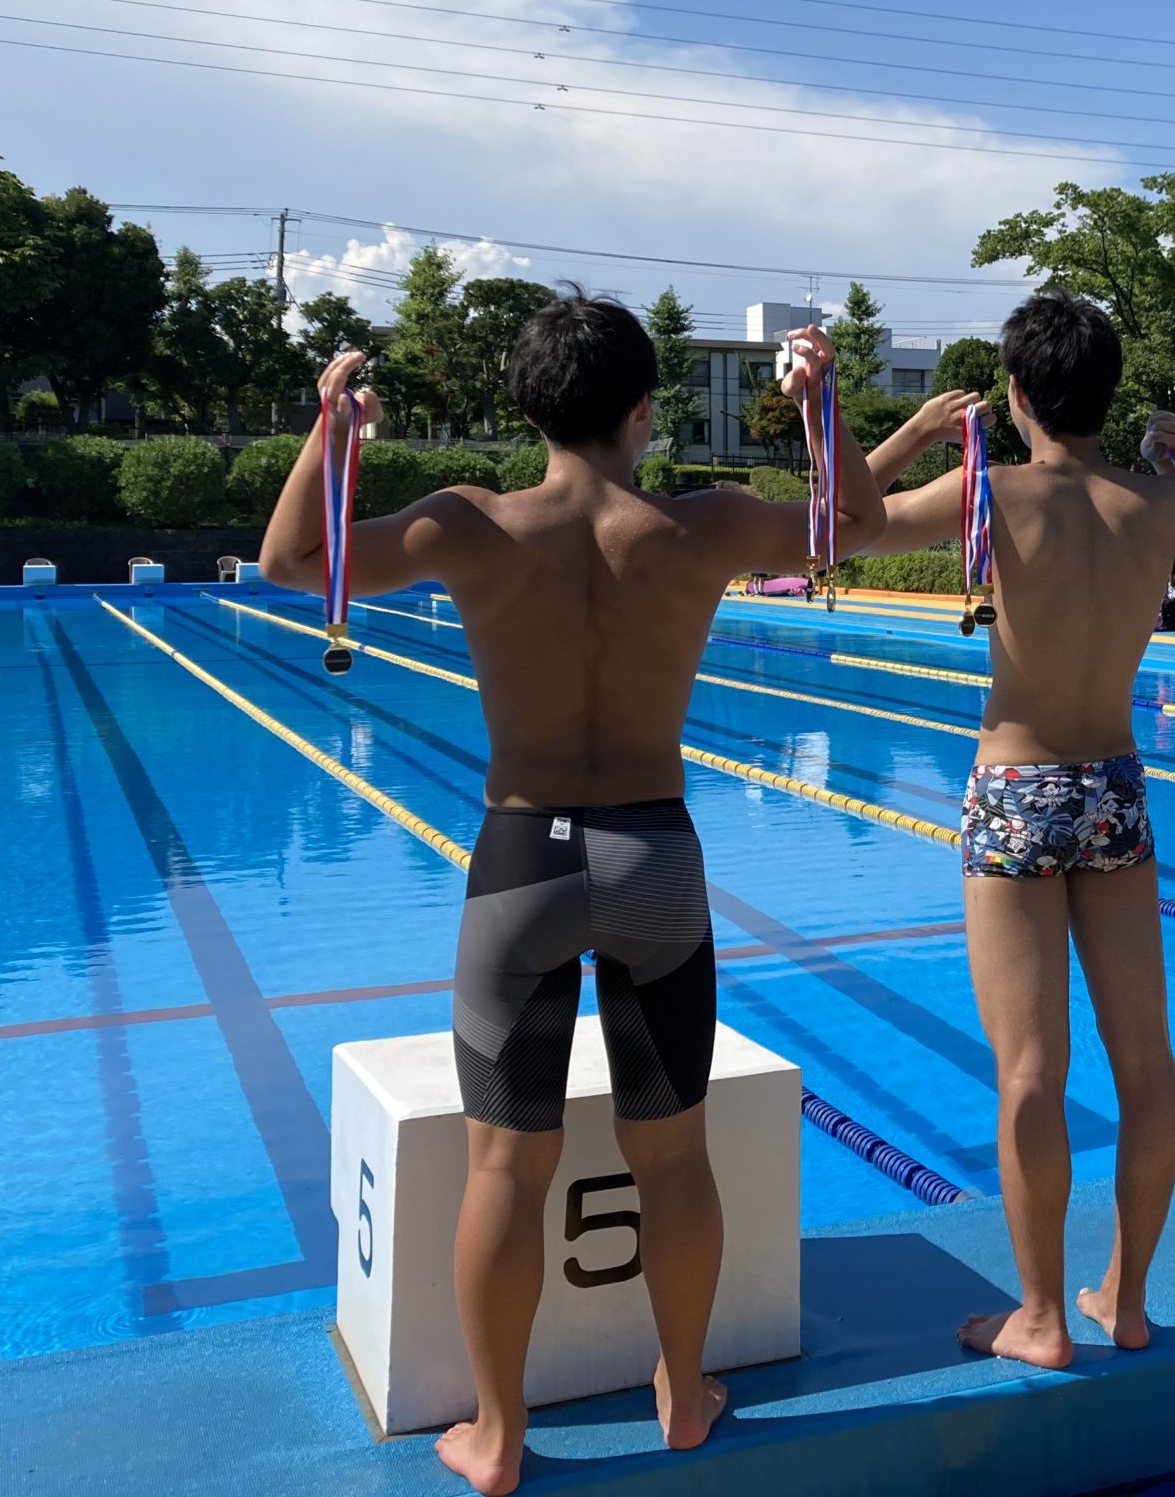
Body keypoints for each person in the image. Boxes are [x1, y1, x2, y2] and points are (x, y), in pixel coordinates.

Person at [261, 300, 884, 1493]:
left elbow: (292, 561)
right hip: (654, 858)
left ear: (528, 409)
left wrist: (333, 431)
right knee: (674, 1157)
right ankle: (683, 1390)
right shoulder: (703, 524)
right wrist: (820, 408)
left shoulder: (474, 525)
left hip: (524, 865)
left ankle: (498, 1436)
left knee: (506, 1168)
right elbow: (850, 526)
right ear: (643, 410)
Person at [858, 296, 1175, 1368]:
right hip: (1113, 786)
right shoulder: (1157, 504)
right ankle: (1128, 1297)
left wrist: (915, 433)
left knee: (1029, 1071)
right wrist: (1173, 459)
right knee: (1146, 1060)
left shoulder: (990, 490)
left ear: (1015, 393)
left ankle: (1041, 1317)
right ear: (1106, 392)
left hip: (1016, 786)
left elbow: (841, 523)